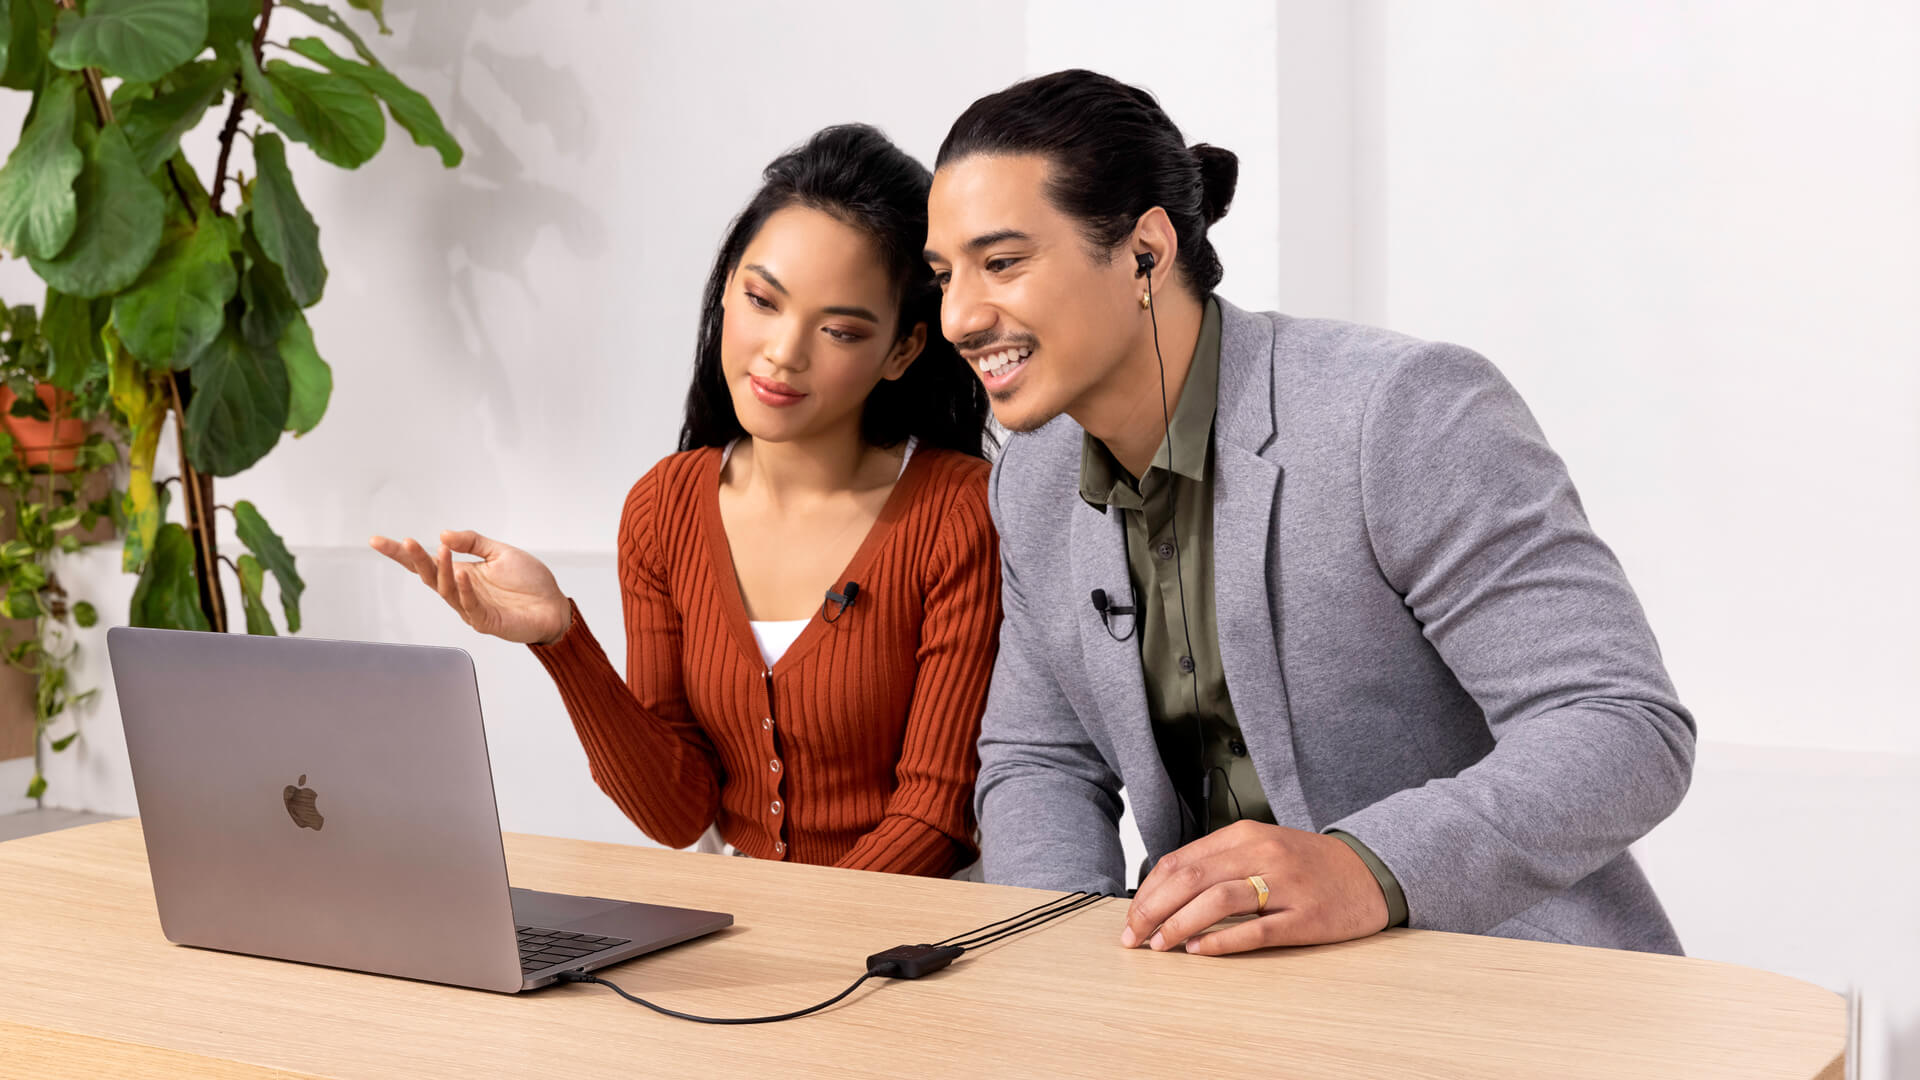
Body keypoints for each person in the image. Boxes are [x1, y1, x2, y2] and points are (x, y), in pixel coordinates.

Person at [926, 70, 1695, 952]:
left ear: (1145, 250)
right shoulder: (1030, 478)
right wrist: (1062, 957)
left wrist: (1363, 866)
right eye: (945, 274)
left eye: (1002, 262)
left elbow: (1622, 725)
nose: (959, 316)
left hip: (1502, 978)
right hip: (1221, 998)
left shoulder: (1399, 409)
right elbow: (1040, 760)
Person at [372, 125, 999, 877]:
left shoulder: (960, 513)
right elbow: (677, 814)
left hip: (906, 946)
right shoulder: (664, 507)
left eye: (837, 329)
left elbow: (934, 817)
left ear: (902, 349)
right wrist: (560, 639)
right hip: (739, 937)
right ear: (728, 287)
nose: (782, 352)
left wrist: (801, 949)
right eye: (762, 300)